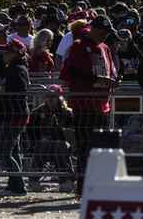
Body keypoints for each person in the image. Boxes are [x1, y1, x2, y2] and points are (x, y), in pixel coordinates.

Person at [60, 15, 116, 194]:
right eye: (102, 31)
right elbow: (68, 73)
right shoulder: (78, 46)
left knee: (100, 148)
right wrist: (95, 79)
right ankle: (83, 187)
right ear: (93, 29)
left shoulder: (105, 48)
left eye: (107, 32)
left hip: (102, 105)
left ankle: (98, 184)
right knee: (85, 148)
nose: (104, 35)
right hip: (84, 105)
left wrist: (113, 80)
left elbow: (113, 70)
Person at [0, 38, 30, 196]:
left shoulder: (17, 69)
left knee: (4, 152)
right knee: (13, 151)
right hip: (13, 114)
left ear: (15, 53)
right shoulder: (13, 67)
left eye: (7, 51)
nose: (3, 53)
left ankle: (18, 186)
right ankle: (14, 186)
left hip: (14, 114)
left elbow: (17, 91)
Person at [26, 85, 73, 190]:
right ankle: (33, 182)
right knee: (42, 145)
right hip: (43, 144)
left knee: (58, 146)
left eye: (53, 96)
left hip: (62, 144)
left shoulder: (67, 112)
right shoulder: (37, 112)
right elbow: (31, 132)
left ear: (60, 97)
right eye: (48, 96)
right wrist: (36, 141)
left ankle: (66, 181)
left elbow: (71, 134)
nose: (50, 98)